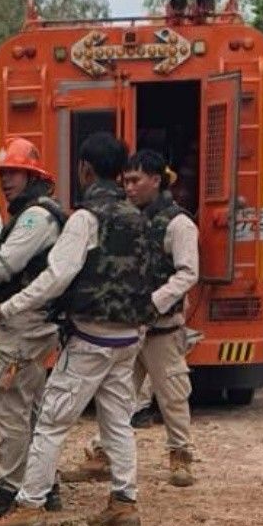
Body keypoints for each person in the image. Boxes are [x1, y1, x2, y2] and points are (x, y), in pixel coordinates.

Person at [0, 134, 158, 526]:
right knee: (117, 420)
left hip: (92, 337)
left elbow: (56, 276)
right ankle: (123, 502)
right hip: (128, 337)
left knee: (51, 421)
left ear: (84, 168)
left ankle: (29, 506)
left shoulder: (85, 218)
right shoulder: (138, 216)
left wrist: (9, 308)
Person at [0, 137, 67, 519]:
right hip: (36, 322)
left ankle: (8, 489)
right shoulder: (36, 214)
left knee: (11, 406)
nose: (5, 180)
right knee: (34, 407)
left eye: (13, 173)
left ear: (32, 176)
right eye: (2, 173)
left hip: (25, 324)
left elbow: (7, 262)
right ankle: (43, 485)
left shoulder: (35, 217)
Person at [95, 149, 199, 485]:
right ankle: (102, 455)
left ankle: (181, 457)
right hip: (129, 327)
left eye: (136, 180)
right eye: (125, 180)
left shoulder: (178, 223)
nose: (129, 187)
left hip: (161, 328)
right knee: (117, 396)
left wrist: (154, 302)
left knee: (172, 393)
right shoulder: (127, 218)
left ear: (156, 180)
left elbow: (188, 273)